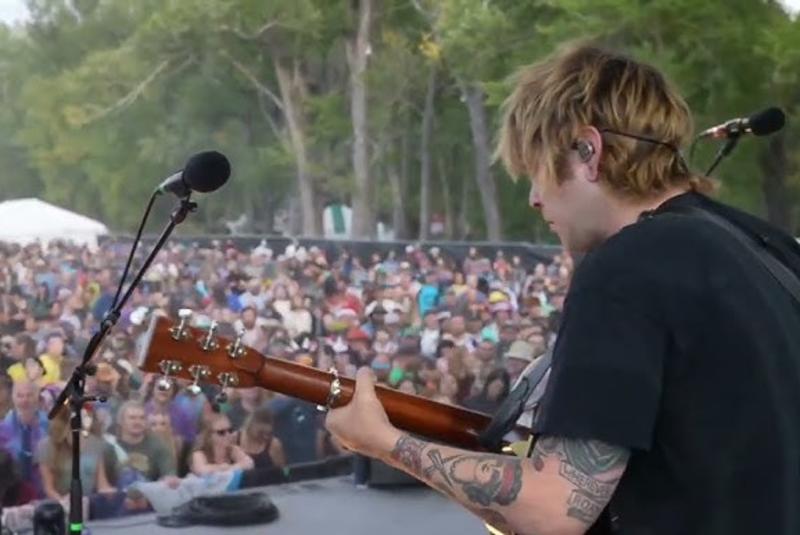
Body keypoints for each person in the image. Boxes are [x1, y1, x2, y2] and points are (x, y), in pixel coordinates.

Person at [324, 43, 800, 535]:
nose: (533, 197)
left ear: (588, 150)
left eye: (535, 170)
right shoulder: (769, 246)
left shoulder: (625, 265)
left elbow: (552, 509)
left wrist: (383, 443)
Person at [0, 381, 48, 498]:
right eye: (20, 395)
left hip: (44, 490)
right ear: (13, 398)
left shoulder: (49, 425)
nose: (25, 400)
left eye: (29, 395)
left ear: (37, 397)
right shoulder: (2, 429)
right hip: (11, 493)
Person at [189, 412, 254, 476]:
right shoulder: (199, 454)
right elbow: (202, 471)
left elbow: (249, 463)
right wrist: (230, 467)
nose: (228, 435)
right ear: (209, 436)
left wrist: (226, 468)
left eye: (230, 430)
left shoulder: (233, 449)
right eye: (221, 432)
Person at [238, 407, 286, 471]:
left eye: (268, 433)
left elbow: (284, 470)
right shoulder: (234, 439)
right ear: (250, 426)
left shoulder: (274, 444)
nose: (266, 437)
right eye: (261, 433)